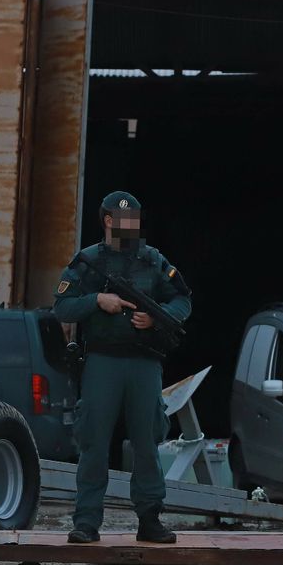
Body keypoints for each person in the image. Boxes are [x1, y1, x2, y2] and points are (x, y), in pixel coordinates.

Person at [53, 190, 192, 544]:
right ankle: (86, 523)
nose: (132, 224)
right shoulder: (87, 261)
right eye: (123, 218)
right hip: (102, 362)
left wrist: (157, 320)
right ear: (109, 220)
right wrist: (99, 300)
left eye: (136, 218)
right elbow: (63, 307)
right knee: (94, 442)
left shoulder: (153, 260)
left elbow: (182, 299)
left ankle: (149, 519)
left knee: (147, 441)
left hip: (144, 362)